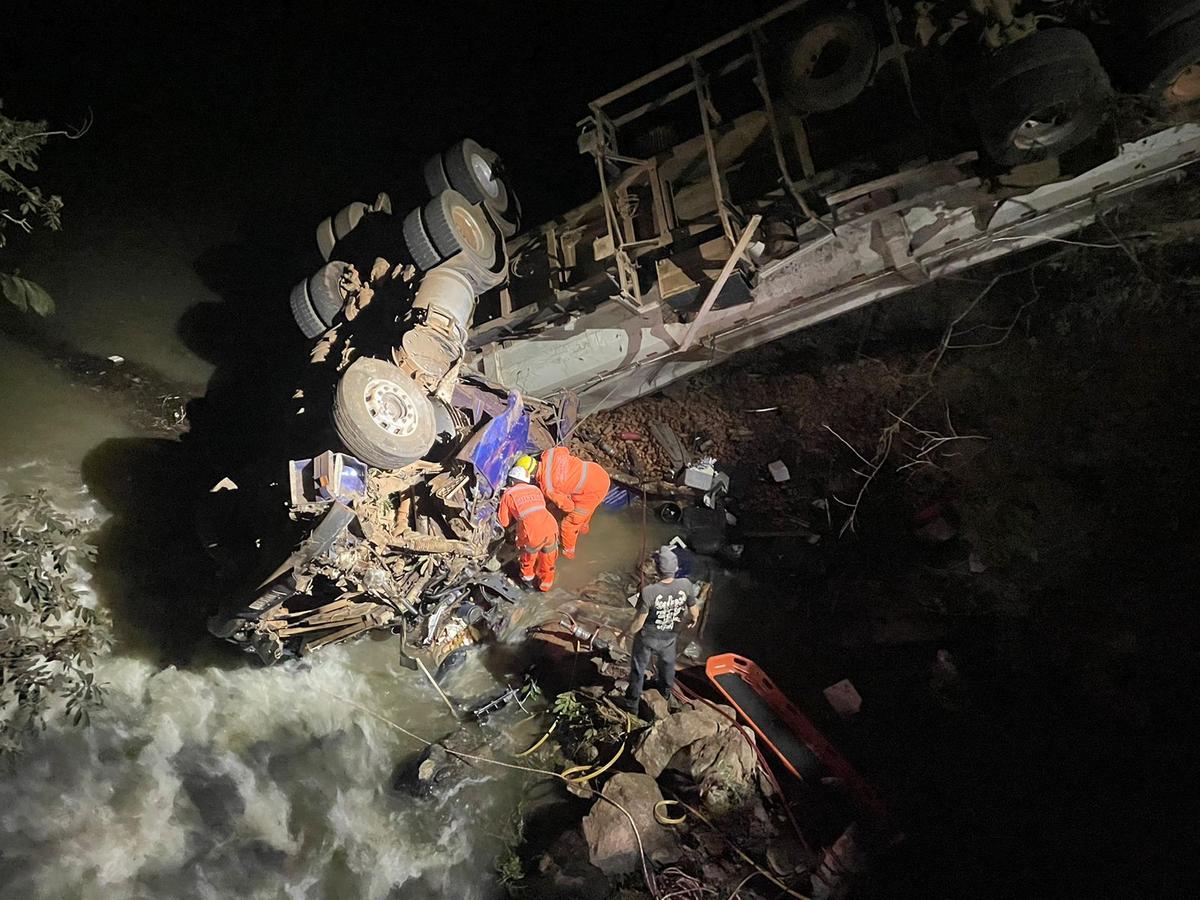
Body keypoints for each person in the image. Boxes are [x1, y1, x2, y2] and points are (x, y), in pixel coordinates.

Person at [618, 546, 699, 713]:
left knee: (638, 669)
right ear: (676, 568)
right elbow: (693, 611)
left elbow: (638, 623)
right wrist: (694, 619)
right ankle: (665, 692)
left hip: (647, 639)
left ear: (657, 569)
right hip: (669, 637)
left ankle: (632, 704)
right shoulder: (686, 585)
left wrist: (623, 634)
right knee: (668, 665)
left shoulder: (649, 592)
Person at [522, 448, 611, 559]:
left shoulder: (548, 487)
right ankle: (584, 528)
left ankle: (569, 552)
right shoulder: (549, 454)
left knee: (569, 524)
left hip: (592, 491)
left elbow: (568, 506)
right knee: (588, 509)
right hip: (597, 473)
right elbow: (563, 450)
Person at [496, 463, 558, 592]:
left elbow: (504, 521)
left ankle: (528, 583)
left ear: (511, 481)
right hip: (551, 525)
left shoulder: (509, 494)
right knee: (548, 558)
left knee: (528, 559)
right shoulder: (536, 489)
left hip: (533, 532)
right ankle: (545, 586)